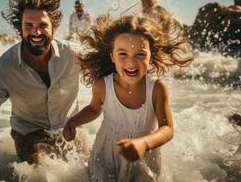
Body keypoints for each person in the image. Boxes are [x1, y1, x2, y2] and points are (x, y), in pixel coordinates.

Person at [63, 13, 193, 181]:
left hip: (145, 154)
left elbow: (167, 129)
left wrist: (144, 144)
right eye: (123, 54)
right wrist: (73, 122)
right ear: (112, 56)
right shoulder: (103, 86)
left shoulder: (156, 88)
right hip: (107, 153)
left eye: (140, 54)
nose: (131, 62)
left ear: (150, 56)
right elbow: (94, 109)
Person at [0, 0, 83, 175]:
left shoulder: (75, 55)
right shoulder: (3, 68)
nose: (36, 32)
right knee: (39, 172)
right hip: (28, 132)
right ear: (20, 29)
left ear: (54, 27)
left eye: (43, 25)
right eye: (29, 26)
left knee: (92, 169)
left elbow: (113, 66)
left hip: (69, 128)